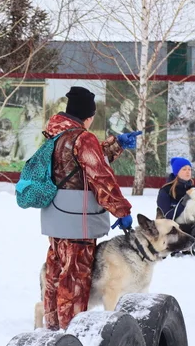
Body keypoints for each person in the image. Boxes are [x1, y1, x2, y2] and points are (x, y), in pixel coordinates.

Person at [40, 86, 140, 330]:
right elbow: (100, 178)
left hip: (56, 216)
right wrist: (122, 211)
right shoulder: (82, 138)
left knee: (55, 274)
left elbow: (74, 163)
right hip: (78, 221)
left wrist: (115, 145)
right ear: (88, 115)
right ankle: (70, 336)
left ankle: (52, 330)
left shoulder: (56, 134)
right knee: (73, 280)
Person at [157, 157, 195, 255]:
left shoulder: (194, 189)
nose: (188, 172)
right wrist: (183, 203)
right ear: (177, 172)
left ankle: (189, 248)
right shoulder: (165, 191)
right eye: (184, 169)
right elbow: (165, 217)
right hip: (172, 229)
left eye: (189, 169)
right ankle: (172, 249)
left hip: (190, 226)